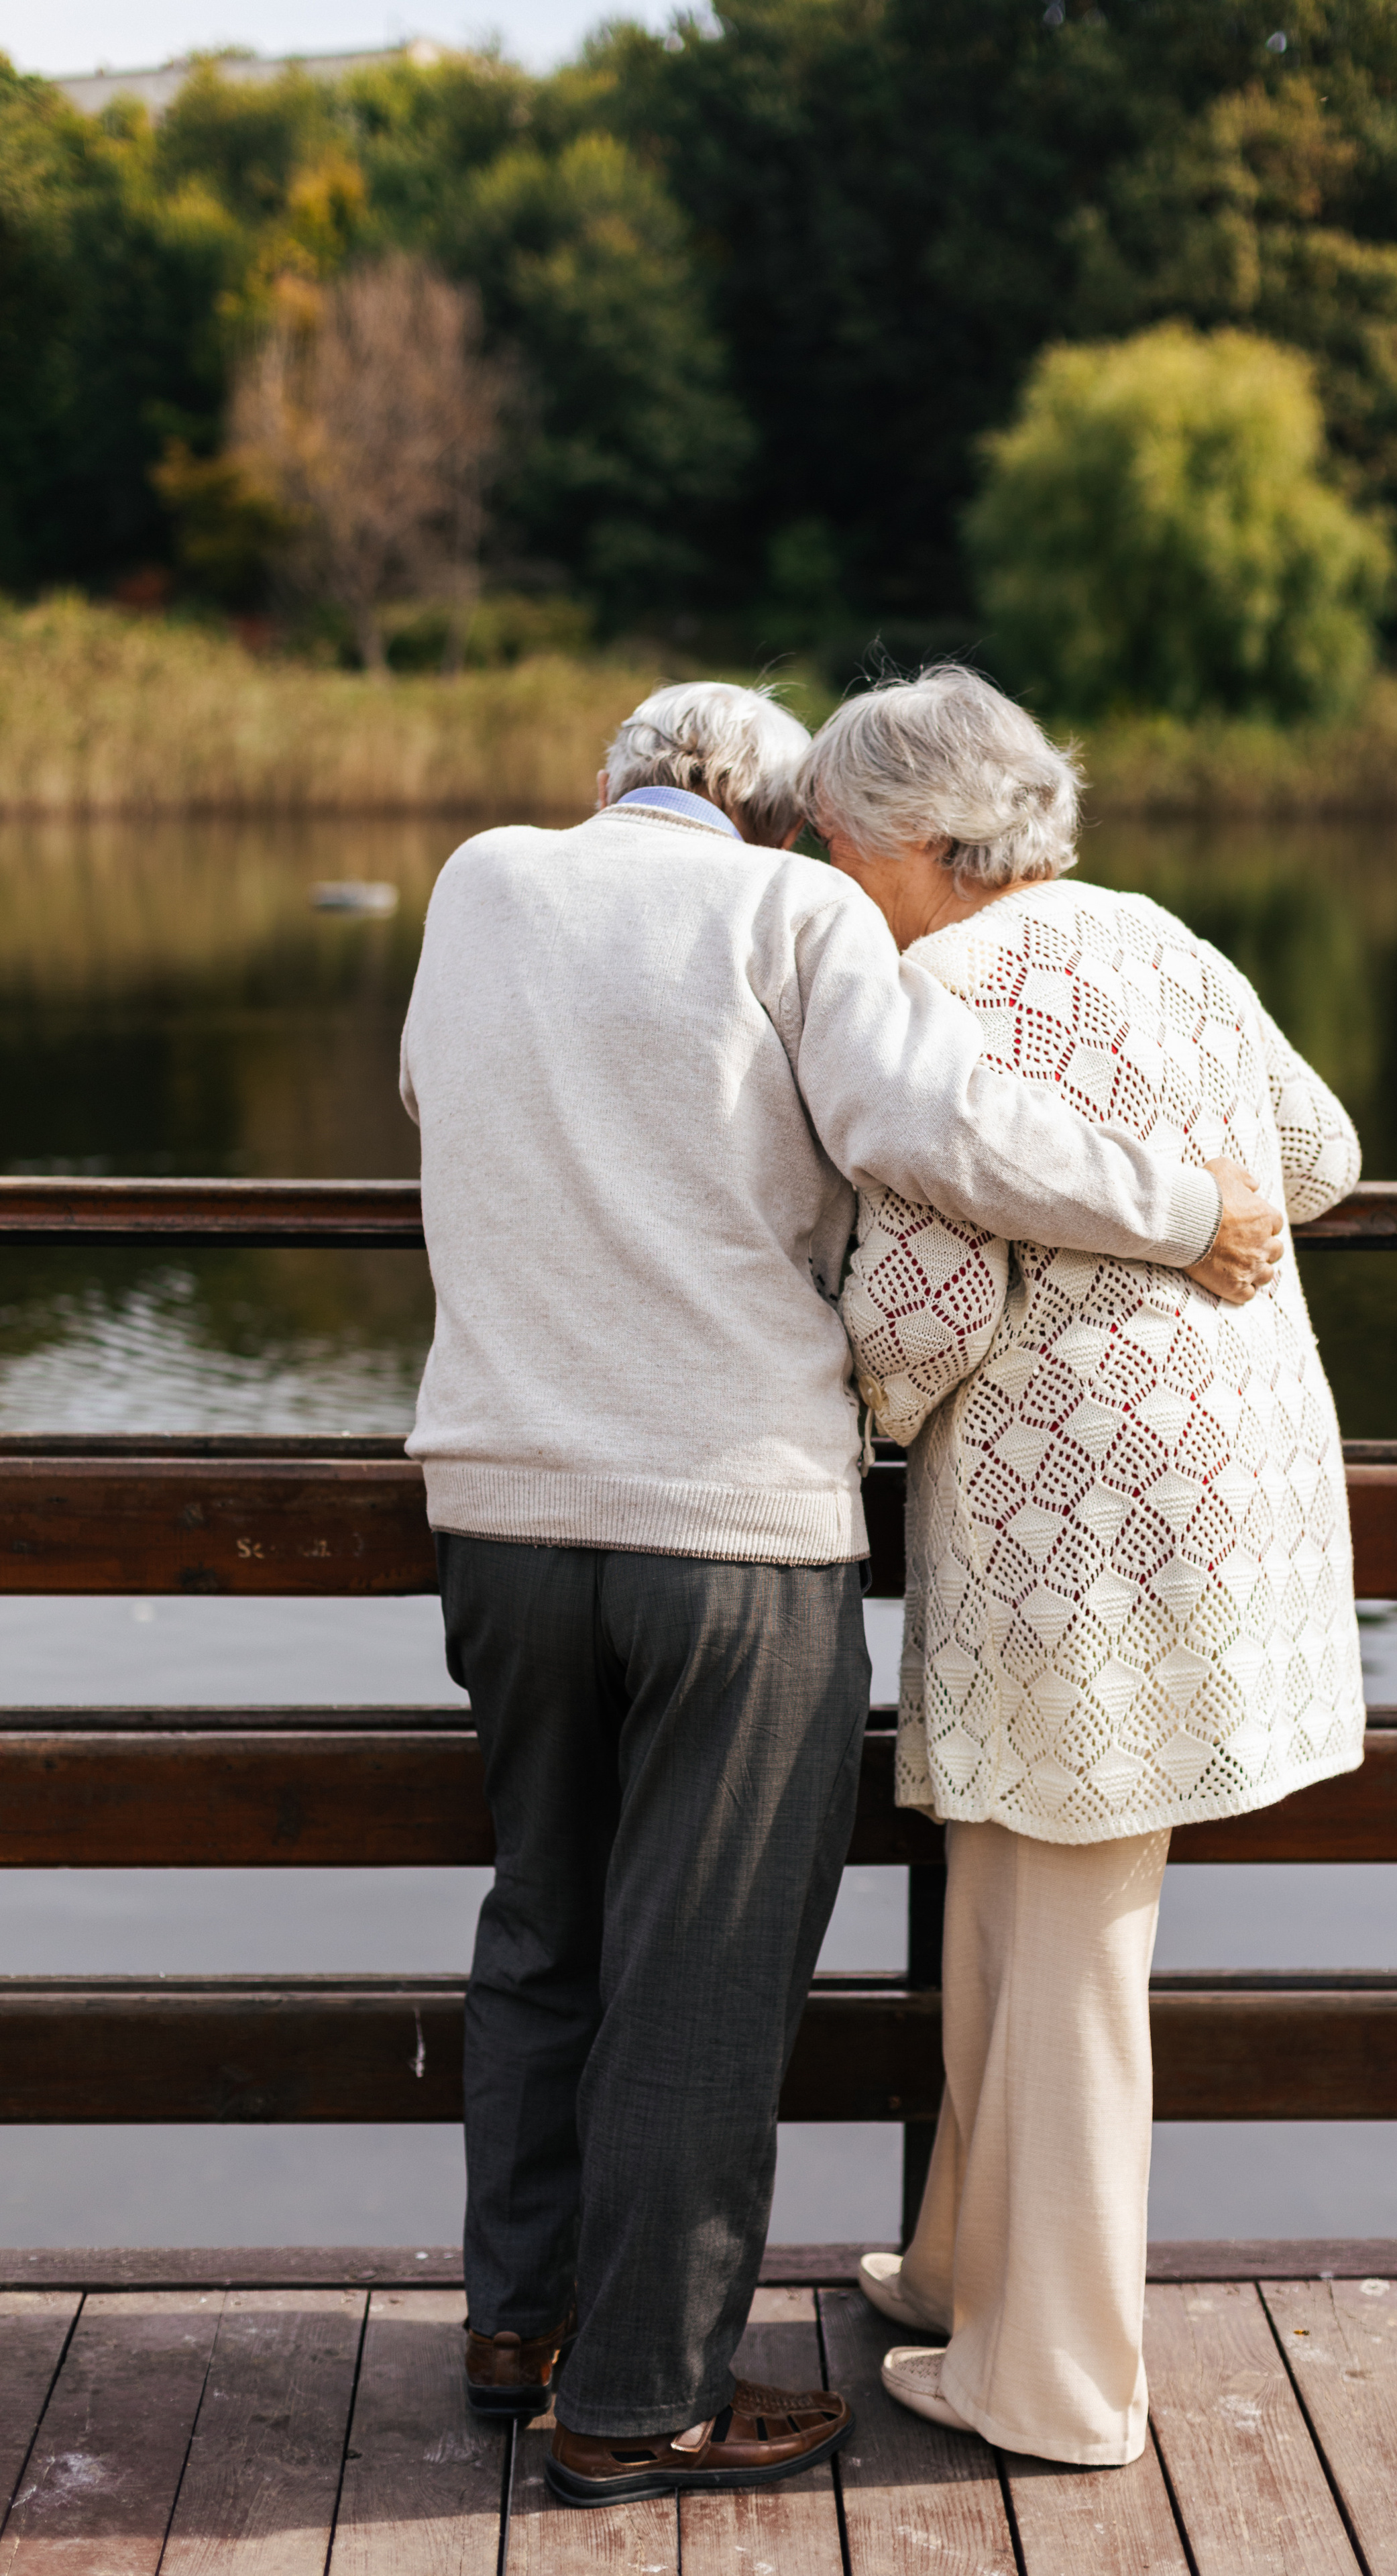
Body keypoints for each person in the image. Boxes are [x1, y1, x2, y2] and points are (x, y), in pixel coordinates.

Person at [398, 678, 1283, 2508]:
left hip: (498, 1509)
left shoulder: (482, 881)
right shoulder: (792, 912)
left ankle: (517, 2327)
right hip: (729, 1532)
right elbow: (941, 1137)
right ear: (785, 809)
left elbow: (442, 1096)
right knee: (706, 1975)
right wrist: (1188, 1210)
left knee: (544, 1921)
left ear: (616, 783)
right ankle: (638, 2404)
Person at [814, 666, 1365, 2468]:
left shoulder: (924, 992)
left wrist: (861, 1391)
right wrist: (1189, 1210)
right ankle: (965, 2269)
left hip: (1081, 1532)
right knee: (1018, 1898)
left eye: (830, 839)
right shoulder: (1164, 936)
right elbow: (1320, 1155)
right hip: (1238, 1490)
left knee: (1061, 1942)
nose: (821, 870)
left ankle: (1050, 2382)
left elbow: (921, 1309)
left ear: (912, 839)